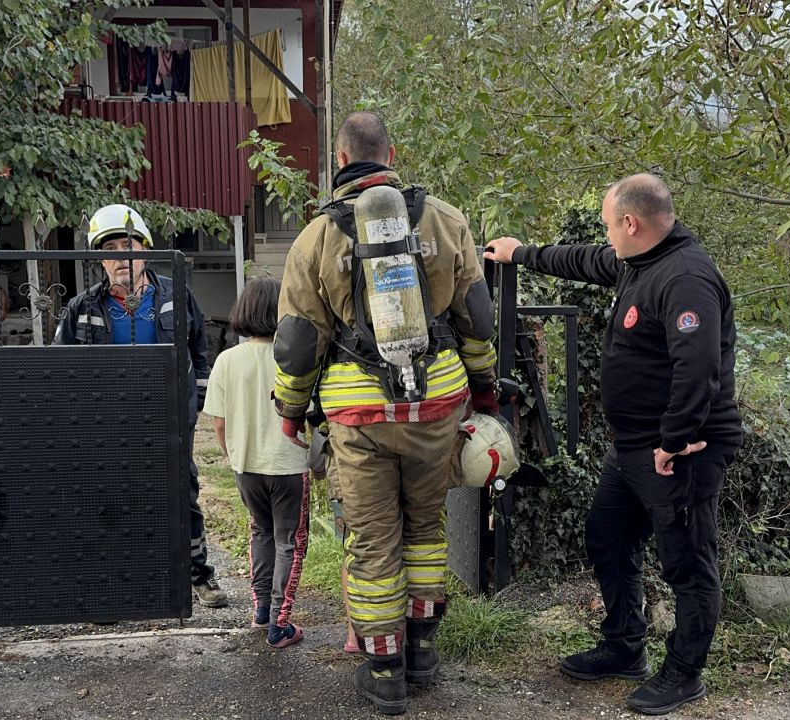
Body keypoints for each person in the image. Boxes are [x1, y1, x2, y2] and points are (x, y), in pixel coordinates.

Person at [484, 174, 742, 716]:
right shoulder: (637, 260)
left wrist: (676, 440)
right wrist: (520, 253)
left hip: (677, 452)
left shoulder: (686, 277)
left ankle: (684, 673)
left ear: (632, 222)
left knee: (688, 563)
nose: (606, 236)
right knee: (606, 536)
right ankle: (625, 645)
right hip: (632, 448)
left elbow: (698, 370)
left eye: (609, 224)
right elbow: (584, 260)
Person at [274, 111, 499, 715]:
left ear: (341, 160)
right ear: (392, 155)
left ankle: (384, 672)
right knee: (426, 530)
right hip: (437, 405)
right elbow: (477, 319)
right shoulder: (447, 219)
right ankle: (424, 651)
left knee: (374, 543)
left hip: (360, 415)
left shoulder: (316, 237)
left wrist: (291, 412)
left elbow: (298, 341)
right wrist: (483, 390)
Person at [54, 203, 228, 609]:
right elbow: (61, 368)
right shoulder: (82, 308)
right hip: (107, 424)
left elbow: (200, 351)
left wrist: (194, 403)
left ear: (145, 250)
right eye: (111, 249)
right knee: (109, 499)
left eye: (128, 245)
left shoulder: (174, 293)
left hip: (169, 418)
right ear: (100, 259)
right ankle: (113, 587)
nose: (121, 257)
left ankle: (198, 575)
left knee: (181, 494)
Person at [203, 277, 310, 648]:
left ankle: (261, 610)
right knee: (289, 542)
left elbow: (218, 421)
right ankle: (280, 624)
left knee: (260, 533)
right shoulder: (295, 358)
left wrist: (233, 456)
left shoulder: (227, 360)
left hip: (246, 466)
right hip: (290, 464)